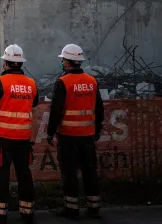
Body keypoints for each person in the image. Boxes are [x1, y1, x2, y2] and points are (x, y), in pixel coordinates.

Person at [0, 44, 39, 224]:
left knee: (1, 174)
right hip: (24, 139)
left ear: (6, 63)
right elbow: (33, 105)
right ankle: (27, 213)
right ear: (20, 63)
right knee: (24, 174)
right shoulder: (31, 84)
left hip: (3, 138)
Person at [46, 43, 104, 219]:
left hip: (68, 136)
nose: (62, 62)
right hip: (88, 136)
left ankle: (71, 209)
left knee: (69, 173)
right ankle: (94, 207)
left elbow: (56, 111)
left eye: (63, 59)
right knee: (90, 171)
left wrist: (50, 132)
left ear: (67, 62)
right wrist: (97, 130)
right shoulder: (92, 81)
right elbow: (99, 109)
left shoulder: (63, 82)